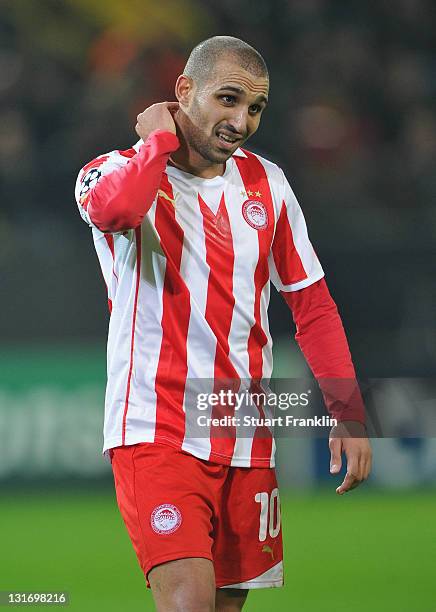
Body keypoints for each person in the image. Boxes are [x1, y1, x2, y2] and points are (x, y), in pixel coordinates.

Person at [75, 36, 372, 612]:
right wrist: (157, 141)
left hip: (245, 431)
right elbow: (119, 212)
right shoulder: (110, 171)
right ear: (184, 90)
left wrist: (348, 412)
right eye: (228, 99)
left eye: (255, 108)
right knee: (188, 601)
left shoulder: (268, 183)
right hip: (154, 428)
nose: (242, 121)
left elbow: (312, 305)